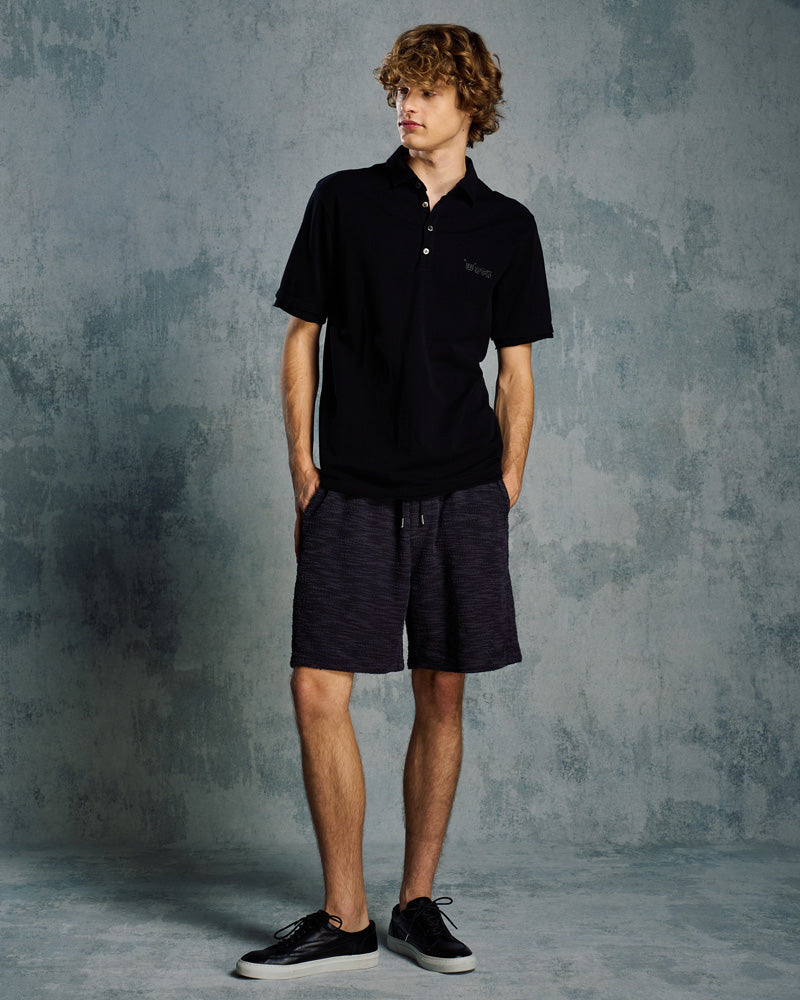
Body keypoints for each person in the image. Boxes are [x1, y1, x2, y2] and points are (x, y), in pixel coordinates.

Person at [236, 23, 552, 981]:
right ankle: (346, 917)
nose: (407, 106)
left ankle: (415, 905)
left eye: (427, 92)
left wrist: (506, 484)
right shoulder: (343, 200)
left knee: (441, 693)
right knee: (316, 689)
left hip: (462, 493)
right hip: (355, 490)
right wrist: (303, 468)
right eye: (400, 90)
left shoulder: (508, 227)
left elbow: (517, 369)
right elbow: (302, 334)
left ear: (471, 106)